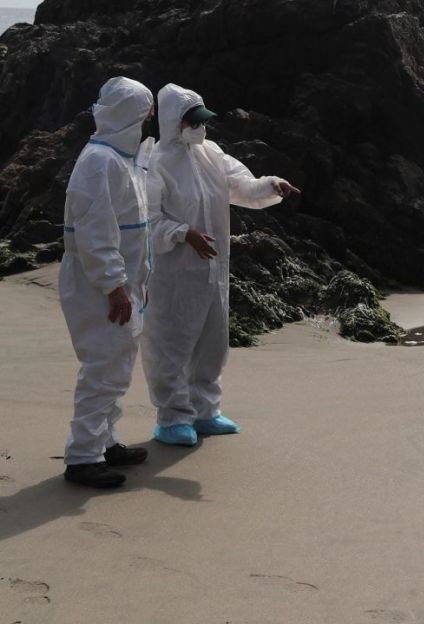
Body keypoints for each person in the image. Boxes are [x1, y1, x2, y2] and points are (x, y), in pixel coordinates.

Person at [142, 84, 299, 446]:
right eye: (192, 121)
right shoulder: (156, 163)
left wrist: (271, 185)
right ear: (172, 122)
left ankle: (205, 411)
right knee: (172, 342)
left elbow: (240, 184)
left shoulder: (210, 153)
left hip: (213, 268)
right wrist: (185, 234)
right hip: (174, 271)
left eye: (202, 120)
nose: (200, 127)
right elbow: (148, 219)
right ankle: (172, 418)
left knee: (212, 341)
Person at [59, 77, 155, 488]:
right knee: (102, 367)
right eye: (145, 110)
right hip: (101, 285)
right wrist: (114, 284)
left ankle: (104, 440)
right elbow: (94, 232)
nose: (150, 118)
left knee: (117, 365)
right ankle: (82, 457)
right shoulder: (100, 161)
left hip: (122, 281)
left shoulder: (122, 157)